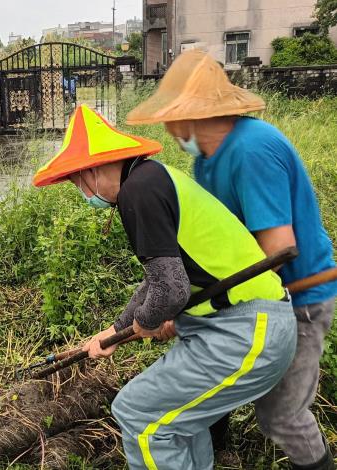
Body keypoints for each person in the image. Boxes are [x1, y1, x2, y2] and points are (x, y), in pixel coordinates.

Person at [33, 104, 297, 469]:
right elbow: (160, 279)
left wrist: (147, 321)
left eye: (78, 180)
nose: (81, 190)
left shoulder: (137, 191)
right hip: (246, 325)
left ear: (93, 169)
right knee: (178, 424)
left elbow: (170, 291)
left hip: (248, 329)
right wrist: (116, 330)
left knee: (137, 412)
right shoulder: (152, 178)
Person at [126, 49, 337, 470]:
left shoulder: (252, 150)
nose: (168, 128)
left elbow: (274, 253)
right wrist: (178, 302)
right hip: (245, 302)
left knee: (282, 415)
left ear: (191, 114)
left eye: (170, 115)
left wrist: (191, 302)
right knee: (204, 387)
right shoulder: (206, 162)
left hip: (297, 299)